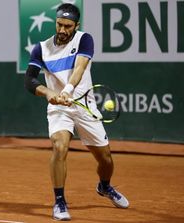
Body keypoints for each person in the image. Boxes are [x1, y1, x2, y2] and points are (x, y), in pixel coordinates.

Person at [24, 3, 129, 221]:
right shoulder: (41, 48)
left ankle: (104, 186)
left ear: (76, 25)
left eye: (68, 26)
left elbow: (80, 67)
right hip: (59, 109)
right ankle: (60, 201)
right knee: (59, 147)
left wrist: (68, 90)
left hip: (84, 106)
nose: (62, 30)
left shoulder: (84, 39)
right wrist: (47, 92)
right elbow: (29, 80)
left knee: (106, 160)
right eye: (59, 24)